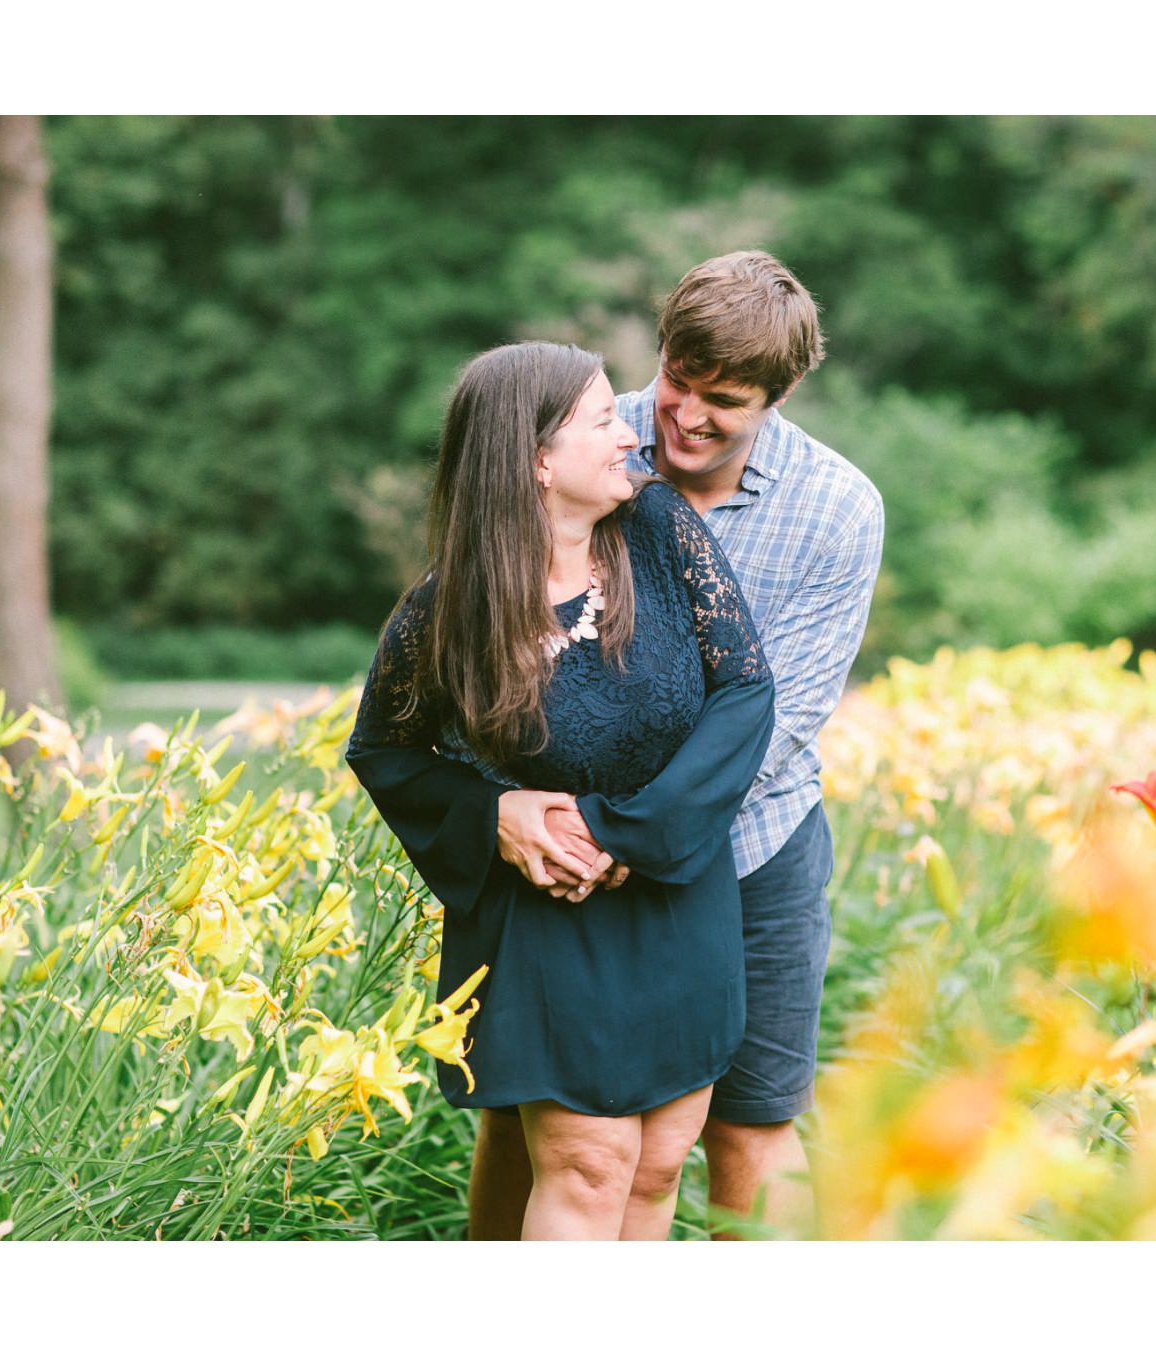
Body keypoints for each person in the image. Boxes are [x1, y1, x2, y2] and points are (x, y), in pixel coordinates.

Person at [470, 251, 885, 1239]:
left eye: (724, 403)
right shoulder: (580, 439)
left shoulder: (836, 510)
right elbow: (488, 641)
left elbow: (782, 720)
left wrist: (630, 833)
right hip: (566, 849)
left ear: (779, 398)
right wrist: (527, 815)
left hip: (752, 852)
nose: (684, 417)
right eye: (676, 383)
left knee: (750, 1126)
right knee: (536, 1125)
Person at [345, 341, 775, 1241]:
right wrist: (492, 811)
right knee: (588, 1167)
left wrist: (628, 835)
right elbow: (385, 750)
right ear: (539, 459)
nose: (631, 436)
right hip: (545, 915)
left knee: (656, 1172)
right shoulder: (448, 608)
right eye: (601, 421)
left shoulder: (660, 534)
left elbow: (744, 690)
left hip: (675, 891)